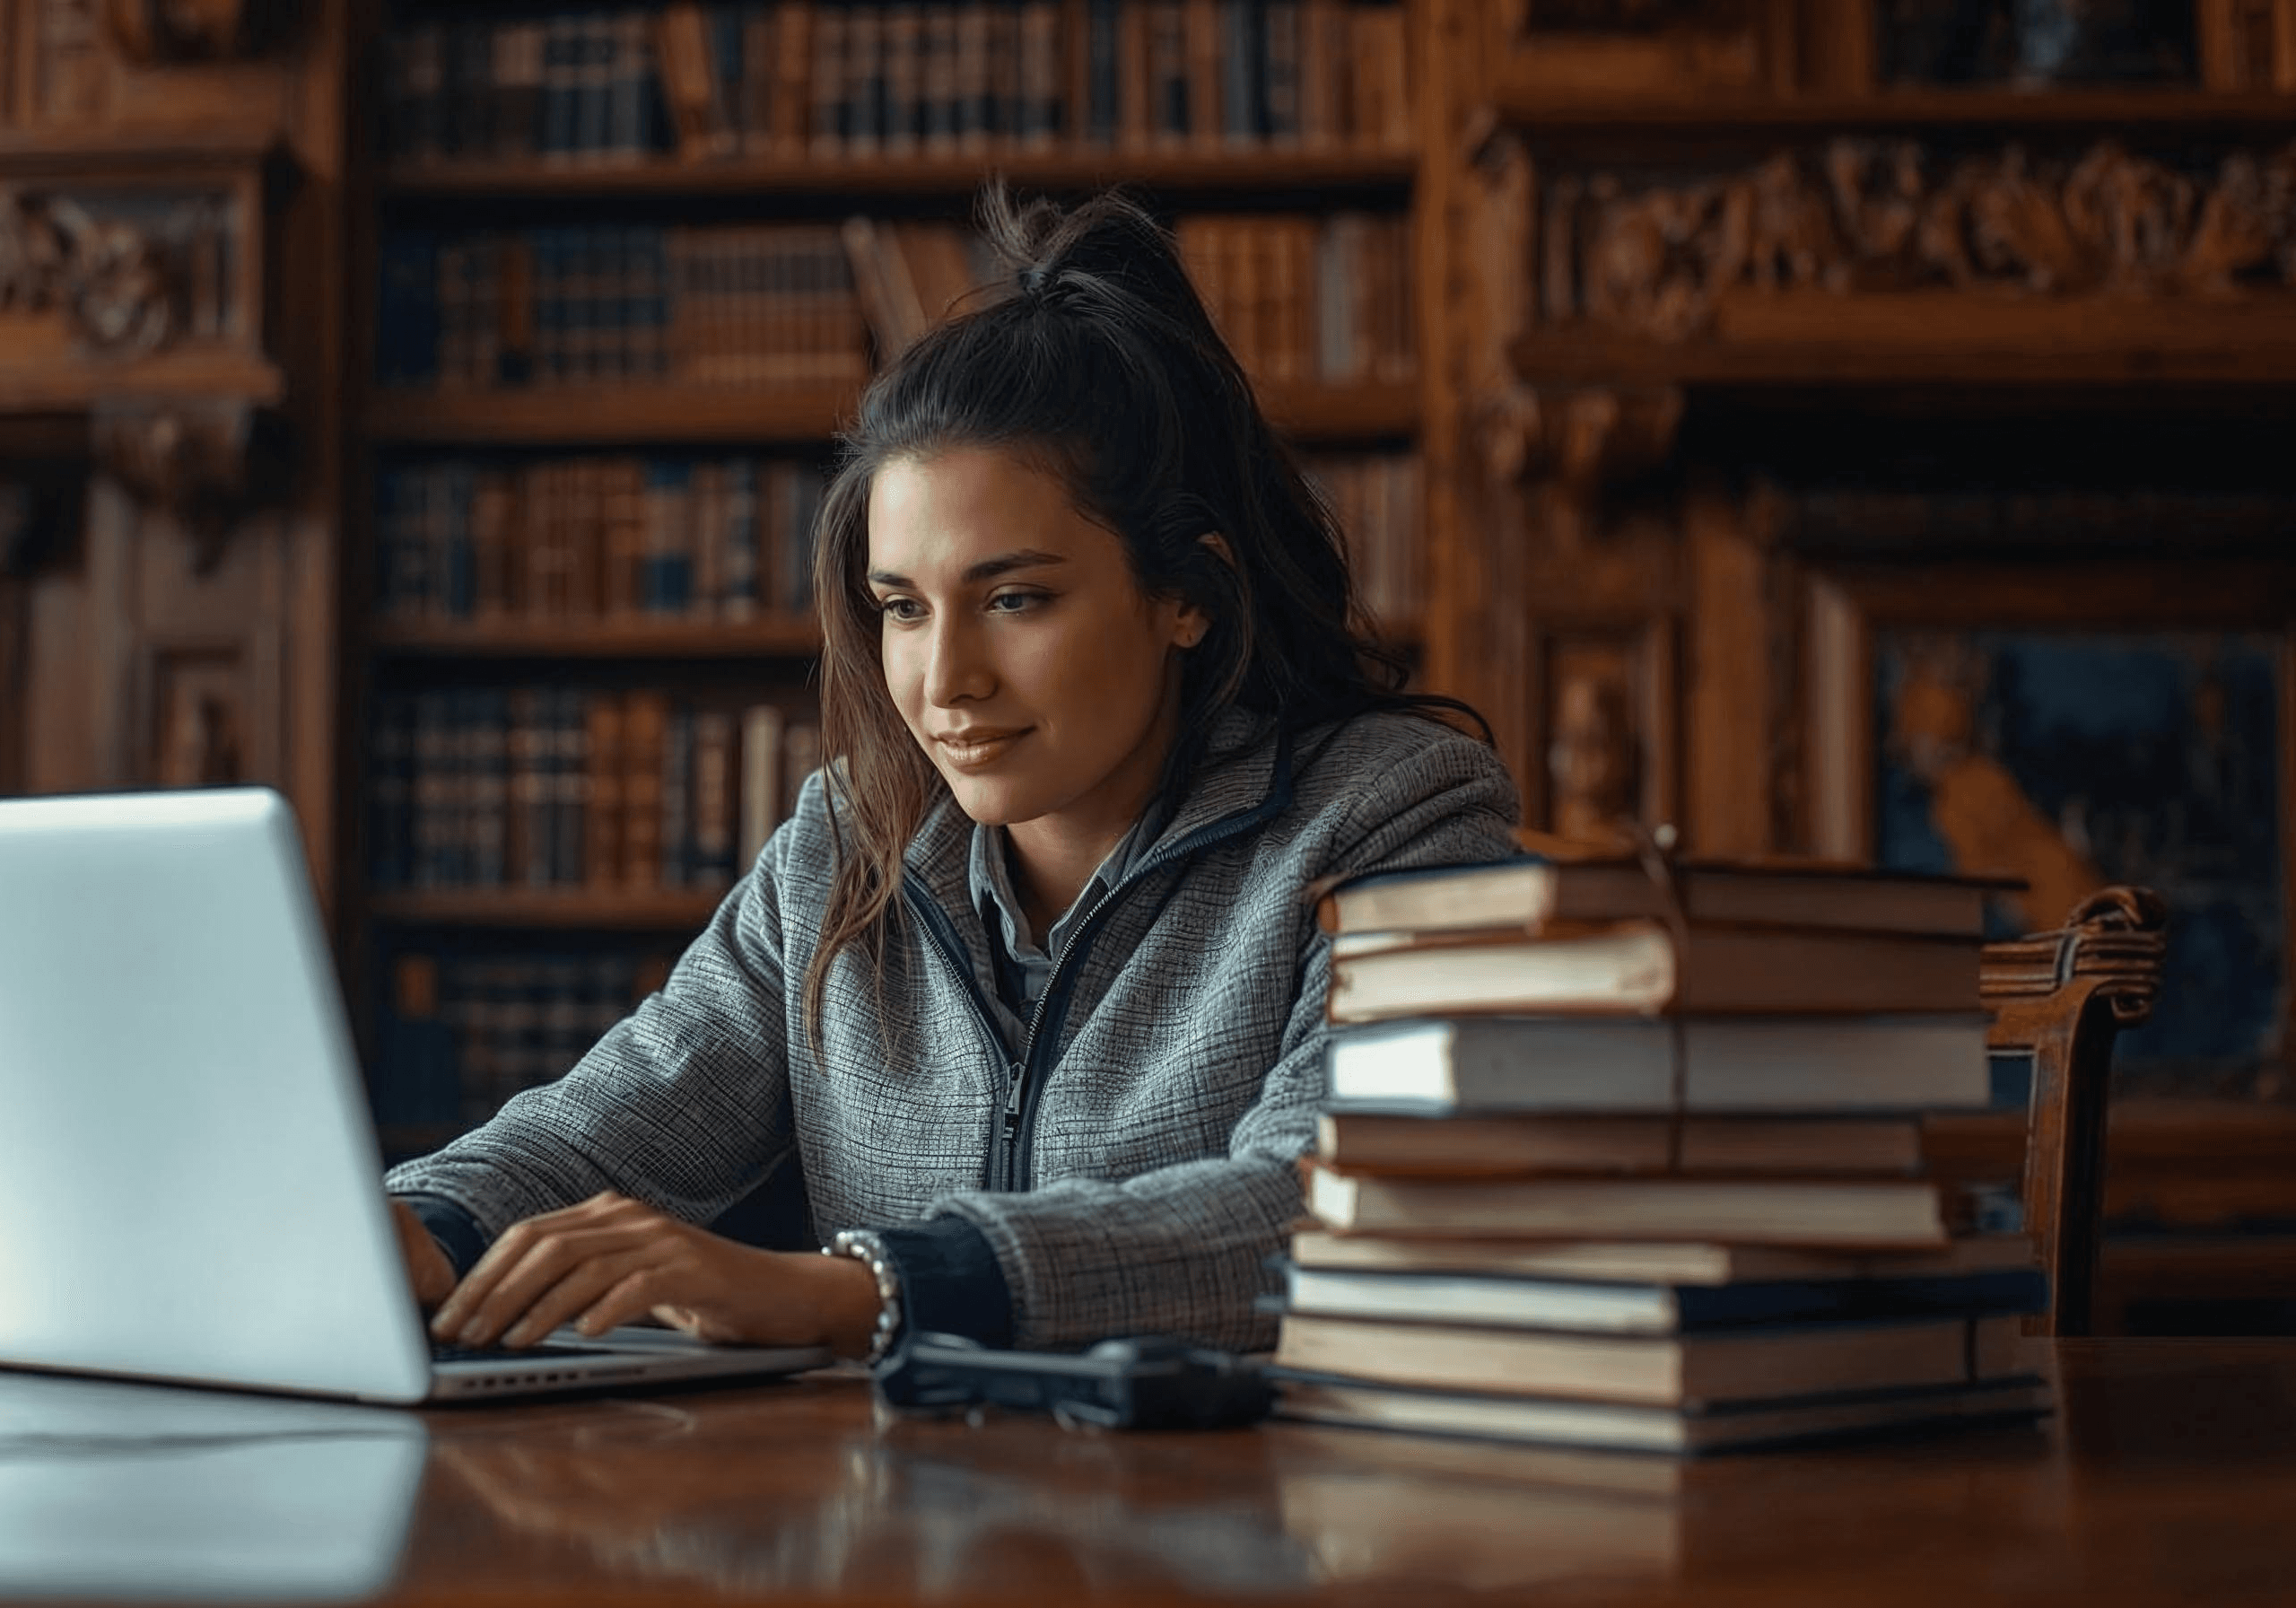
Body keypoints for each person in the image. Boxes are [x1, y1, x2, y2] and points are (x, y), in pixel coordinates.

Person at [386, 187, 1518, 1359]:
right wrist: (416, 1227)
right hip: (902, 1525)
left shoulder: (1399, 818)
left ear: (1188, 593)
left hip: (1251, 1522)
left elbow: (1323, 1205)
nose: (944, 681)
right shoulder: (843, 846)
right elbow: (599, 1135)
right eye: (904, 610)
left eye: (1014, 599)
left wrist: (868, 1290)